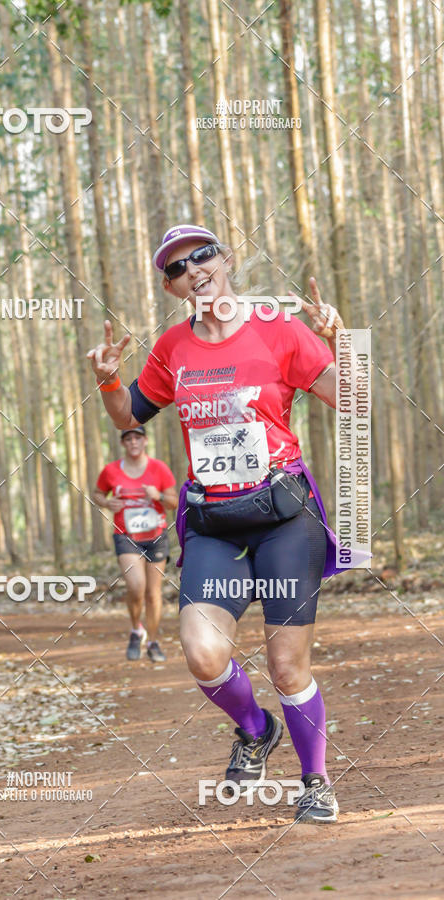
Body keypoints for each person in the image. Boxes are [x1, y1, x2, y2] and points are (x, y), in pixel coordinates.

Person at [87, 223, 346, 823]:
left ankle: (315, 781)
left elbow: (349, 394)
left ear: (225, 259)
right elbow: (130, 411)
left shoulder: (279, 329)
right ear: (172, 286)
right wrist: (106, 379)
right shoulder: (173, 348)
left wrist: (341, 341)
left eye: (203, 255)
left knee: (287, 666)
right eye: (178, 268)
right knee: (203, 654)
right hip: (212, 521)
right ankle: (255, 730)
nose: (194, 269)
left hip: (283, 515)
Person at [93, 425, 178, 662]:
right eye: (128, 439)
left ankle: (152, 641)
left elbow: (173, 502)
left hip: (155, 535)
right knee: (136, 586)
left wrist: (158, 496)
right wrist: (107, 503)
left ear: (145, 441)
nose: (133, 442)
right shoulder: (111, 471)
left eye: (137, 438)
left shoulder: (159, 469)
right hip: (126, 536)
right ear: (123, 443)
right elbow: (97, 493)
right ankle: (135, 629)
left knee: (153, 593)